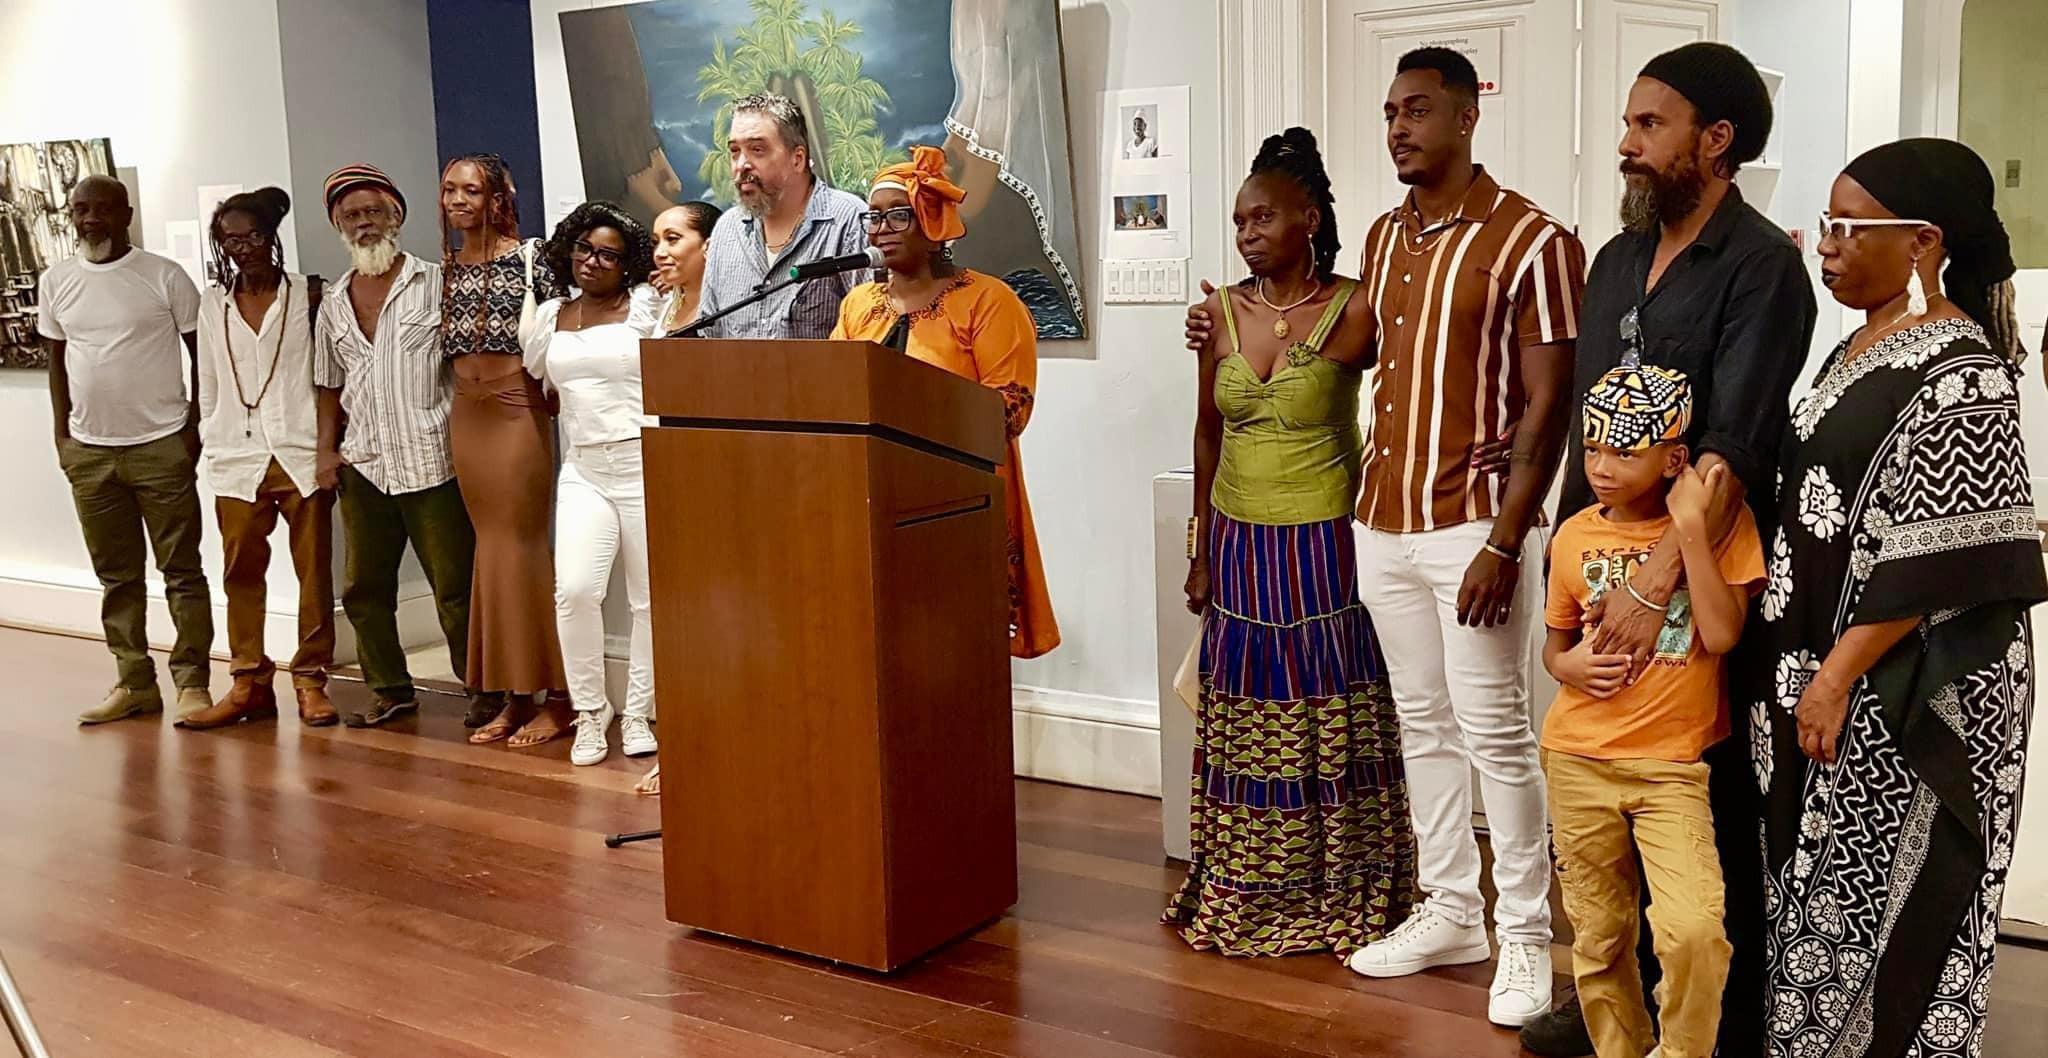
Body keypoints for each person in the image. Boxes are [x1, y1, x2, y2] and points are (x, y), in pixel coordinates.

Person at [1192, 48, 1583, 1024]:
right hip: (1380, 520)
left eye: (1417, 110)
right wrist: (1222, 323)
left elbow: (1549, 403)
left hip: (1472, 526)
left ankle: (1524, 934)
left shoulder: (1531, 240)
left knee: (1495, 732)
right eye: (1389, 113)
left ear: (1465, 115)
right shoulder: (1384, 236)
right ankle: (1451, 910)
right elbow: (1320, 340)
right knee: (1423, 725)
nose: (1399, 128)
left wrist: (1506, 539)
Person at [1517, 42, 1817, 1058]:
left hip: (1700, 580)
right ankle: (1617, 1003)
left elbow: (1734, 444)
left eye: (1649, 125)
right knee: (1601, 804)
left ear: (1715, 139)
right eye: (1628, 123)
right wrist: (1569, 566)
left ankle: (1715, 1030)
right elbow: (1588, 430)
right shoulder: (1613, 260)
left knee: (1704, 809)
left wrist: (1652, 585)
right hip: (1598, 568)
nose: (1626, 143)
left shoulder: (1762, 267)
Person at [1756, 138, 2043, 1058]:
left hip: (1911, 686)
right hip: (1830, 672)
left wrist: (1836, 676)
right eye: (1826, 224)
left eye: (1849, 227)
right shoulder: (1861, 343)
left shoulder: (1963, 372)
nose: (1827, 244)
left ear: (1923, 241)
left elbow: (1943, 556)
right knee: (1816, 892)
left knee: (1887, 901)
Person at [1160, 127, 1414, 958]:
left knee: (1326, 711)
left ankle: (1340, 883)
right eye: (1239, 221)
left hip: (1325, 546)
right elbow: (1206, 434)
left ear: (1309, 219)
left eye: (1263, 216)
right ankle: (1248, 883)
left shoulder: (1358, 307)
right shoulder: (1219, 314)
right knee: (1246, 715)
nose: (1247, 233)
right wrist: (1200, 548)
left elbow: (1418, 389)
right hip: (1239, 545)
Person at [1544, 364, 1764, 1058]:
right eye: (1591, 450)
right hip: (1576, 760)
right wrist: (1566, 667)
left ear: (1673, 461)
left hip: (1670, 771)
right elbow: (1555, 646)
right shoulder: (1573, 535)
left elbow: (1722, 635)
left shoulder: (1724, 527)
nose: (1601, 468)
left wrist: (1691, 526)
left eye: (1623, 452)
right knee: (1600, 936)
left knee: (1694, 930)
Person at [829, 146, 1060, 659]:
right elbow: (833, 397)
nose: (881, 229)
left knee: (956, 652)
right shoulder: (858, 305)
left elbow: (1009, 409)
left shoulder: (987, 301)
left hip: (959, 505)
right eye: (874, 217)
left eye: (898, 215)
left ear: (933, 222)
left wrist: (919, 413)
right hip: (871, 500)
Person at [39, 175, 214, 725]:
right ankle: (134, 682)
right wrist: (63, 437)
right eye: (81, 209)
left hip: (161, 446)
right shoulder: (56, 281)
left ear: (126, 214)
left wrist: (192, 429)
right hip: (90, 454)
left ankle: (192, 683)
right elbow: (56, 364)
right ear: (71, 215)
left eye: (103, 209)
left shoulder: (164, 275)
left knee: (181, 571)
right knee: (116, 578)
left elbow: (202, 357)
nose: (91, 219)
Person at [312, 163, 478, 730]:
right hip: (364, 465)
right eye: (351, 215)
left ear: (396, 216)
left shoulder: (438, 283)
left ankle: (481, 689)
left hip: (434, 460)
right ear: (338, 225)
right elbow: (328, 384)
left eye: (373, 211)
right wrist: (325, 452)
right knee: (363, 589)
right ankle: (388, 688)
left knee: (455, 588)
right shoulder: (333, 302)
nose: (364, 223)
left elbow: (468, 371)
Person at [179, 187, 339, 730]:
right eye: (231, 239)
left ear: (272, 236)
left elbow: (328, 378)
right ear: (219, 244)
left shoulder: (310, 296)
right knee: (240, 574)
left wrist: (326, 448)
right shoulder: (212, 304)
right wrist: (211, 437)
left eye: (253, 235)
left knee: (313, 574)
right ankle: (248, 681)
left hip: (299, 454)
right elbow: (206, 381)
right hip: (236, 459)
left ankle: (311, 680)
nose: (243, 247)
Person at [437, 153, 574, 747]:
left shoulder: (532, 258)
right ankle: (515, 696)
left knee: (523, 548)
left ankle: (561, 698)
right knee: (489, 551)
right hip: (467, 415)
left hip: (517, 409)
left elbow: (564, 329)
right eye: (449, 190)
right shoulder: (444, 268)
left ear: (497, 198)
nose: (458, 200)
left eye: (471, 190)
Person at [522, 201, 663, 767]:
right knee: (576, 591)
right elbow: (539, 382)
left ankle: (638, 712)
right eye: (585, 249)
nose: (593, 261)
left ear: (627, 264)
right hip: (582, 468)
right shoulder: (551, 316)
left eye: (609, 254)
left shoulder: (645, 306)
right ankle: (589, 711)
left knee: (649, 598)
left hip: (642, 461)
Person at [694, 94, 867, 339]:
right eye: (734, 151)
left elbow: (872, 327)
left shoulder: (848, 220)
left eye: (757, 150)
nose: (741, 165)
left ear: (797, 159)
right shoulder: (727, 228)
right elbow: (709, 335)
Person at [652, 201, 721, 334]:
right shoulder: (667, 306)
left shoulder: (733, 310)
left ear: (709, 246)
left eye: (672, 239)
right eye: (655, 242)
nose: (658, 253)